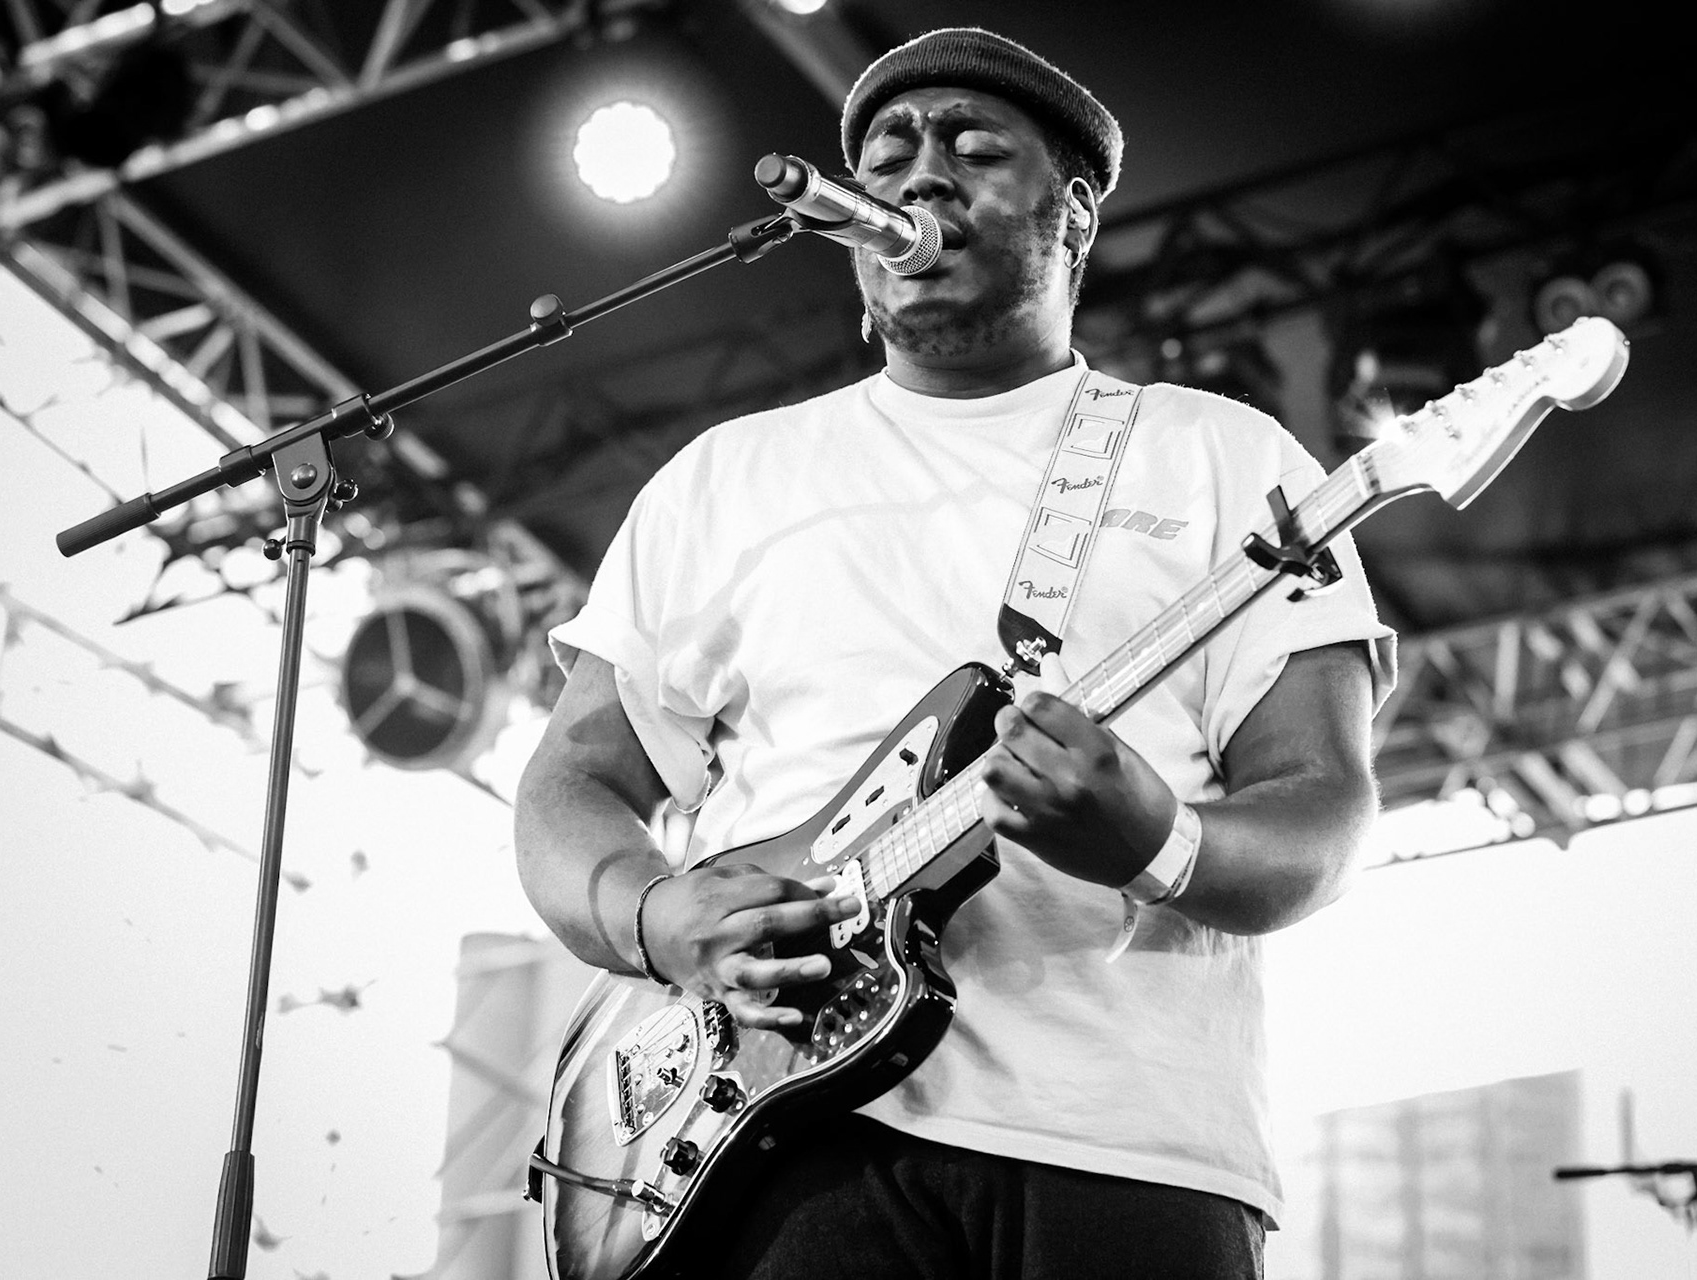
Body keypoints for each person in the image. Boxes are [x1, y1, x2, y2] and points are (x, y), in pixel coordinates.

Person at [516, 26, 1397, 1280]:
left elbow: (1326, 809)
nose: (920, 176)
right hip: (775, 1142)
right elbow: (572, 782)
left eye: (975, 149)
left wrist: (1162, 841)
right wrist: (656, 918)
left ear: (1075, 215)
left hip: (1130, 1147)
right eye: (888, 155)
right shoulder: (727, 473)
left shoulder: (1224, 459)